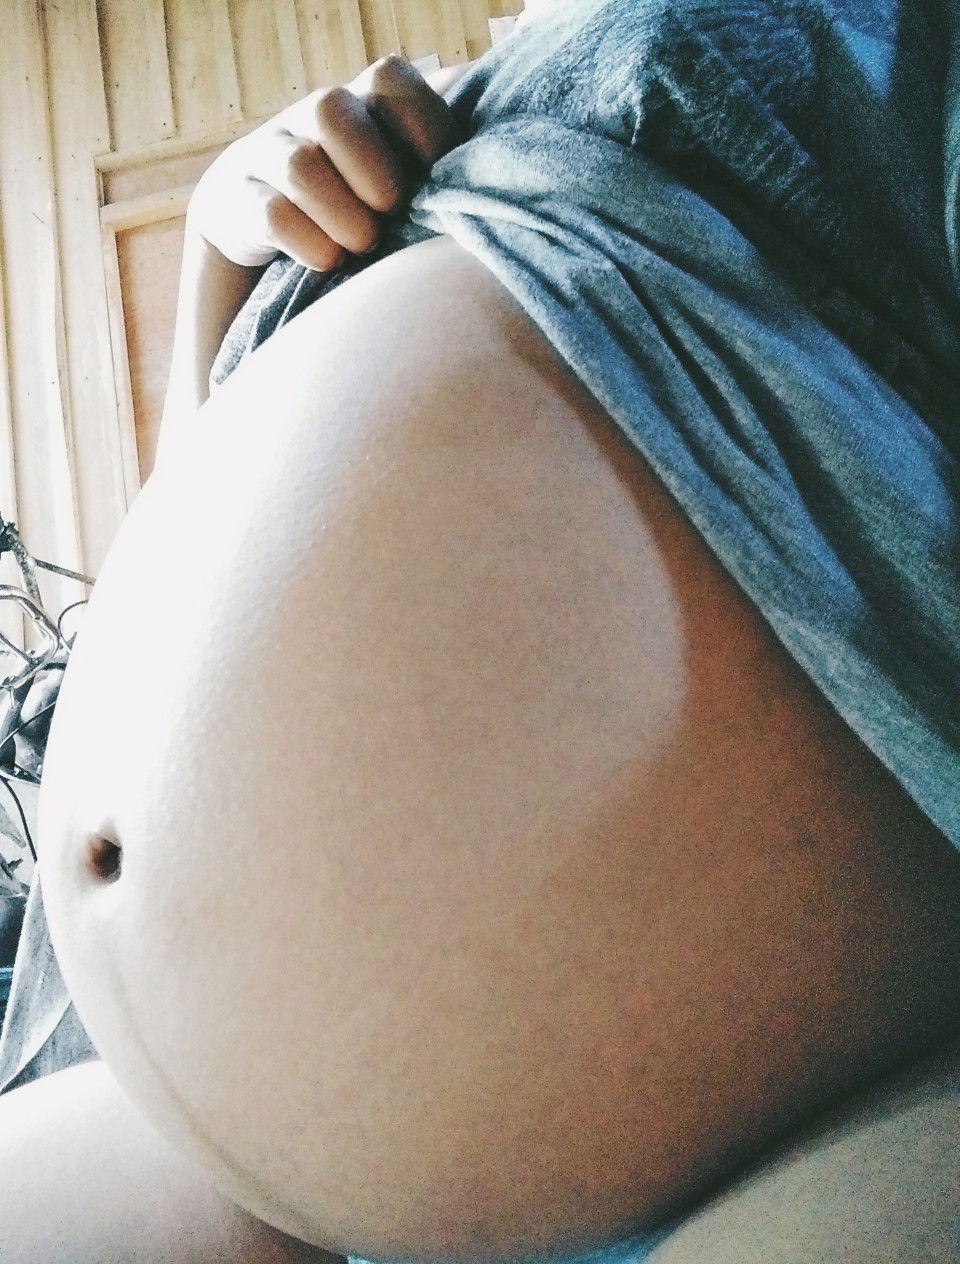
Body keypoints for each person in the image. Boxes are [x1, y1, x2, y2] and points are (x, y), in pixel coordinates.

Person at [1, 1, 959, 1261]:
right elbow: (191, 515)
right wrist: (220, 254)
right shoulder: (447, 98)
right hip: (156, 1113)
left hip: (739, 1125)